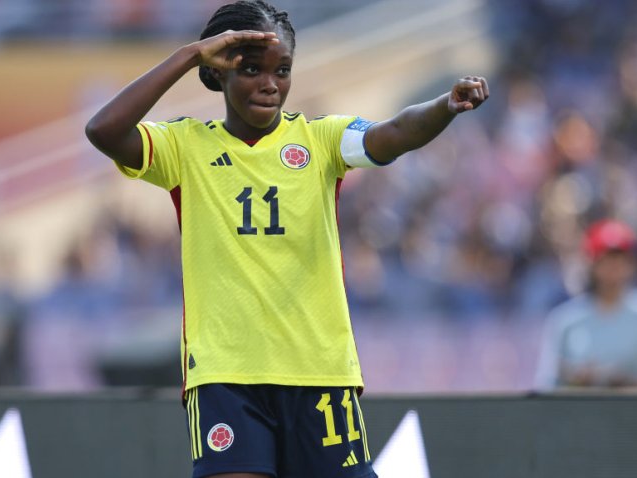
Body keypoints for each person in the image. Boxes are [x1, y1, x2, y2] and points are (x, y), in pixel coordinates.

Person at [85, 1, 489, 476]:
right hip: (225, 377)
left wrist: (445, 106)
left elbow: (395, 132)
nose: (269, 83)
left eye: (282, 69)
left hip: (319, 373)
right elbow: (104, 130)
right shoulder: (185, 147)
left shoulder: (322, 141)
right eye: (251, 69)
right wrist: (190, 55)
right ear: (218, 75)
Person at [535, 219, 637, 390]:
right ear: (592, 264)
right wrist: (577, 380)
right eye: (606, 258)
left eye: (620, 258)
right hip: (583, 415)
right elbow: (548, 386)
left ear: (632, 263)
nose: (613, 266)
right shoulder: (565, 320)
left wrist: (629, 385)